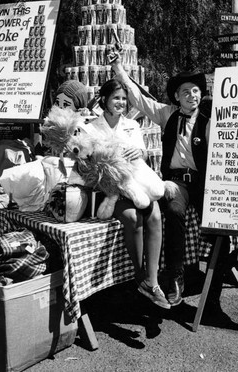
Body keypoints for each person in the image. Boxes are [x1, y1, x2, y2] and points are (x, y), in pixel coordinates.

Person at [111, 55, 230, 317]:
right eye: (186, 92)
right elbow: (139, 98)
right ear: (176, 96)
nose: (192, 96)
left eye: (196, 91)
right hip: (177, 182)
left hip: (206, 183)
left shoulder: (211, 121)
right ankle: (176, 276)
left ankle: (213, 298)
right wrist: (119, 69)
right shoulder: (167, 115)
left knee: (223, 232)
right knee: (175, 211)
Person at [81, 78, 170, 310]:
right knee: (133, 217)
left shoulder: (132, 125)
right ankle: (140, 277)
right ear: (104, 100)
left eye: (123, 98)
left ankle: (153, 281)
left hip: (135, 180)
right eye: (115, 98)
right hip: (110, 188)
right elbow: (88, 165)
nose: (120, 102)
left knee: (155, 214)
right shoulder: (90, 128)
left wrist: (137, 151)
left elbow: (141, 154)